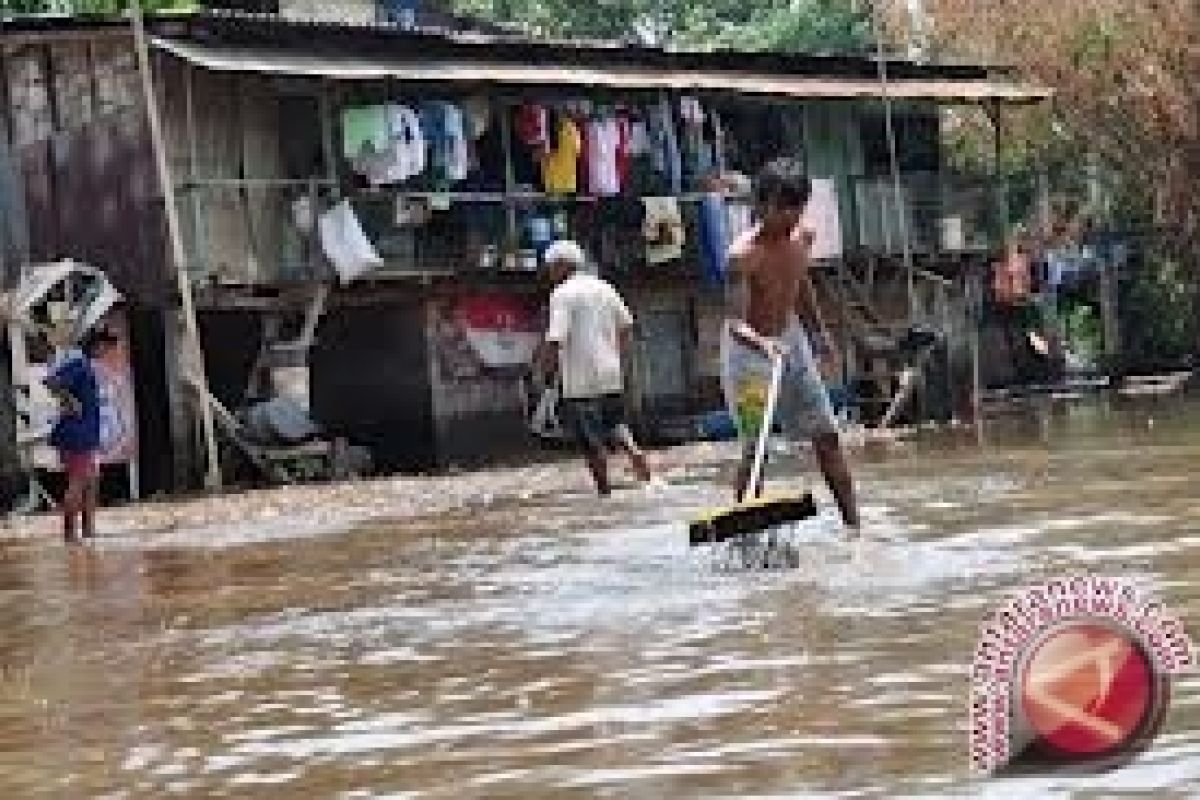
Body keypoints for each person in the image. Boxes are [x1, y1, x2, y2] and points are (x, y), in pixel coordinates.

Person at [724, 158, 860, 531]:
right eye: (783, 208)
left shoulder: (803, 237)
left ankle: (854, 529)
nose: (790, 217)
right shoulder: (742, 256)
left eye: (797, 207)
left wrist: (819, 334)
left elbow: (799, 285)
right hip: (748, 357)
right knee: (756, 449)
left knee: (828, 436)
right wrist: (763, 345)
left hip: (793, 344)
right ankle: (743, 532)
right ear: (763, 206)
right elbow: (735, 323)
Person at [539, 240, 653, 496]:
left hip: (581, 382)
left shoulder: (562, 294)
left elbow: (555, 337)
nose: (549, 273)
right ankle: (644, 473)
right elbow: (626, 326)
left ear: (562, 266)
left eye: (551, 268)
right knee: (619, 427)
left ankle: (604, 494)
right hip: (611, 375)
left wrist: (546, 372)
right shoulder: (605, 288)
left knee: (592, 443)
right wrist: (621, 363)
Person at [43, 326, 117, 543]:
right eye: (105, 345)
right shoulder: (79, 364)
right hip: (77, 433)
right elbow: (51, 382)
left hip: (86, 433)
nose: (107, 350)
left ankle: (88, 530)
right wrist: (70, 402)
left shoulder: (86, 366)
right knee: (77, 482)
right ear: (97, 345)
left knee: (92, 481)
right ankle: (69, 535)